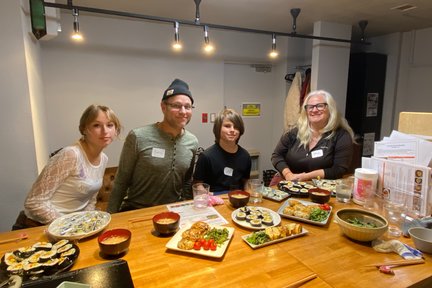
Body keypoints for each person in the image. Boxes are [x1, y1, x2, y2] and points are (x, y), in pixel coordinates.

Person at [12, 104, 122, 230]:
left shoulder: (103, 159)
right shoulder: (70, 155)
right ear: (84, 129)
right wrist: (69, 227)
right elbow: (34, 202)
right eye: (96, 125)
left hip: (69, 229)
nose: (105, 131)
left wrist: (85, 223)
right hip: (36, 227)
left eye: (110, 125)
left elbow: (91, 200)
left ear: (116, 129)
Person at [108, 79, 199, 212]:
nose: (183, 111)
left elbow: (186, 181)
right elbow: (121, 181)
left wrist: (188, 208)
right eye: (176, 106)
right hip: (136, 210)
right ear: (163, 107)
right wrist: (111, 217)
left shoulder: (192, 142)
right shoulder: (138, 137)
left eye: (188, 106)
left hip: (172, 212)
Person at [271, 90, 354, 182]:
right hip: (288, 183)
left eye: (320, 106)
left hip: (321, 188)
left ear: (330, 108)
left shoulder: (341, 135)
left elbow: (339, 169)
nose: (314, 110)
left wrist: (307, 177)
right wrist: (288, 175)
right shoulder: (293, 132)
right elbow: (277, 156)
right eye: (310, 107)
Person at [193, 108, 251, 194]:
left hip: (238, 200)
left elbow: (246, 181)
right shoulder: (206, 156)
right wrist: (206, 194)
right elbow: (198, 184)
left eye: (236, 127)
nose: (232, 130)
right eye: (227, 126)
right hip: (213, 201)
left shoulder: (245, 156)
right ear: (218, 129)